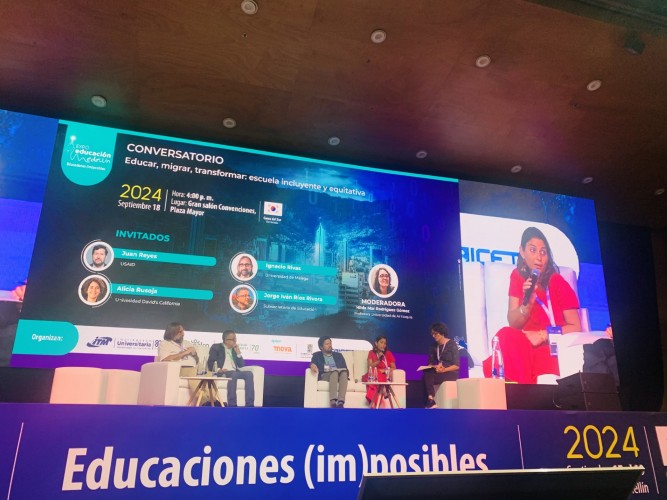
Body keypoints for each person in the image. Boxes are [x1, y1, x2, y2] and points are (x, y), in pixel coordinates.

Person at [482, 227, 581, 384]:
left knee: (520, 352)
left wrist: (543, 335)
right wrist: (527, 306)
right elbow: (514, 323)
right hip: (525, 346)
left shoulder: (557, 282)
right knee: (505, 335)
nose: (539, 258)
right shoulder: (517, 276)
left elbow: (576, 327)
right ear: (522, 252)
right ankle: (514, 392)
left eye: (543, 252)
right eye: (533, 250)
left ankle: (521, 394)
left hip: (550, 346)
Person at [157, 322, 203, 403]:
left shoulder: (186, 343)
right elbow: (165, 359)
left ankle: (213, 400)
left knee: (209, 373)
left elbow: (197, 360)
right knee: (193, 372)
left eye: (183, 331)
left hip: (194, 368)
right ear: (172, 333)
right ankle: (204, 400)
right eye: (180, 332)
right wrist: (185, 352)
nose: (183, 334)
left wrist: (194, 354)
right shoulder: (165, 344)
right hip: (179, 369)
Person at [207, 330, 255, 407]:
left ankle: (250, 404)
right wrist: (219, 369)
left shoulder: (234, 349)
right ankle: (232, 404)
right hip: (223, 372)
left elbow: (241, 365)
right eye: (233, 339)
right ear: (226, 340)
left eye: (235, 339)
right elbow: (210, 362)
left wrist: (238, 352)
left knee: (249, 374)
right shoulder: (216, 347)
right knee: (233, 374)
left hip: (234, 371)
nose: (235, 341)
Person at [423, 322, 459, 408]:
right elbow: (430, 363)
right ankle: (431, 399)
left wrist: (444, 369)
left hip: (451, 372)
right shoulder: (433, 346)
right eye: (432, 334)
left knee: (427, 377)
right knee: (426, 372)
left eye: (435, 333)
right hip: (439, 371)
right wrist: (435, 366)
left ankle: (430, 400)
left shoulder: (452, 344)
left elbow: (457, 365)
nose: (433, 336)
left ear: (442, 333)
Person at [310, 336, 348, 408]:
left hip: (338, 375)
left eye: (330, 343)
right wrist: (312, 365)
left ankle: (340, 402)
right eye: (327, 344)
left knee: (344, 373)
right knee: (334, 372)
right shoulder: (317, 355)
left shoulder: (339, 355)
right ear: (321, 347)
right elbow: (313, 364)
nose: (330, 345)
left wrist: (338, 369)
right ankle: (333, 401)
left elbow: (345, 368)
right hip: (325, 375)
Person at [363, 335, 397, 405]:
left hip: (383, 375)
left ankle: (373, 403)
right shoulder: (371, 352)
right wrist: (379, 360)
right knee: (374, 372)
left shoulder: (388, 353)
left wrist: (385, 370)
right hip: (372, 375)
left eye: (385, 343)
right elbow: (370, 367)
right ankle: (384, 390)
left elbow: (394, 368)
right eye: (381, 342)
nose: (383, 345)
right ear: (376, 343)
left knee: (376, 379)